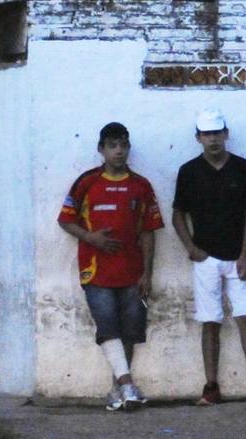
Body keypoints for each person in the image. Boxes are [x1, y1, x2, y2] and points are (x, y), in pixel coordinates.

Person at [172, 107, 246, 406]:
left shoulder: (243, 168)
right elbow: (178, 214)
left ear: (226, 134)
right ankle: (211, 386)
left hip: (238, 257)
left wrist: (244, 255)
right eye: (207, 134)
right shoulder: (188, 172)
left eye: (217, 133)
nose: (213, 139)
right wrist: (192, 250)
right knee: (210, 321)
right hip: (206, 258)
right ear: (198, 138)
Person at [57, 122, 164, 411]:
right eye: (112, 145)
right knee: (107, 327)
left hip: (131, 271)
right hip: (96, 270)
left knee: (129, 331)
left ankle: (119, 389)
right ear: (101, 149)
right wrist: (91, 238)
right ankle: (128, 384)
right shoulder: (87, 182)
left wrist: (147, 273)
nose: (119, 151)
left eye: (123, 145)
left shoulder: (140, 186)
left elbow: (149, 231)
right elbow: (65, 220)